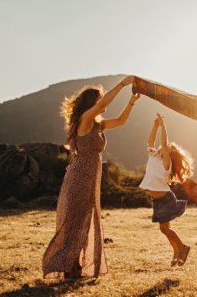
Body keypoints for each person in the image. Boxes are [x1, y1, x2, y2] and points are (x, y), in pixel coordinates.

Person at [43, 76, 140, 278]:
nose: (103, 101)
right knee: (76, 220)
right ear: (92, 103)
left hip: (90, 178)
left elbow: (122, 121)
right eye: (99, 99)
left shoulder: (97, 124)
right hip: (80, 176)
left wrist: (131, 101)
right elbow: (105, 103)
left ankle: (73, 264)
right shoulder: (86, 119)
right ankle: (70, 265)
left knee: (83, 219)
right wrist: (123, 84)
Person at [139, 112, 194, 267]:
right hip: (157, 200)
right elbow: (150, 141)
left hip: (165, 199)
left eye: (167, 148)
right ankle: (177, 252)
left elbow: (163, 143)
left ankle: (182, 248)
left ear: (169, 155)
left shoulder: (166, 164)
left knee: (164, 229)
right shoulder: (153, 156)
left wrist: (163, 125)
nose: (163, 147)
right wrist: (155, 125)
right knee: (165, 229)